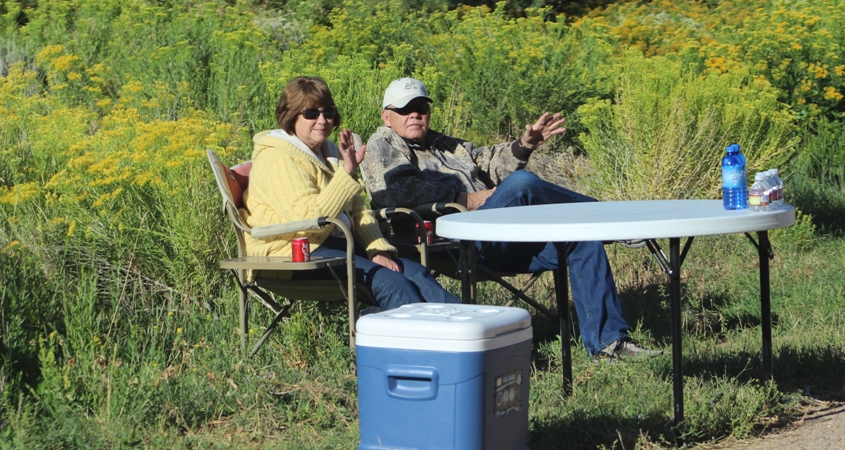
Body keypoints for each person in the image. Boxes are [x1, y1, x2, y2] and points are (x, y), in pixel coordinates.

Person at [363, 77, 656, 359]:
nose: (415, 114)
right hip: (453, 242)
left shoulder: (442, 144)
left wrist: (524, 145)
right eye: (405, 109)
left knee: (581, 239)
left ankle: (608, 343)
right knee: (521, 184)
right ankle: (614, 221)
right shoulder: (383, 145)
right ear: (387, 116)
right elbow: (395, 193)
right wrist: (467, 199)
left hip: (498, 236)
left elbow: (487, 160)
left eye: (421, 108)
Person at [243, 76, 459, 311]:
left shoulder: (327, 151)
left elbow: (358, 209)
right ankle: (413, 344)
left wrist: (377, 250)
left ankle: (467, 333)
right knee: (391, 283)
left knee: (417, 274)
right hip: (290, 252)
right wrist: (346, 173)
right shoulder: (278, 159)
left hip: (338, 246)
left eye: (328, 113)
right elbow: (308, 219)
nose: (322, 120)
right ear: (291, 116)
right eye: (311, 114)